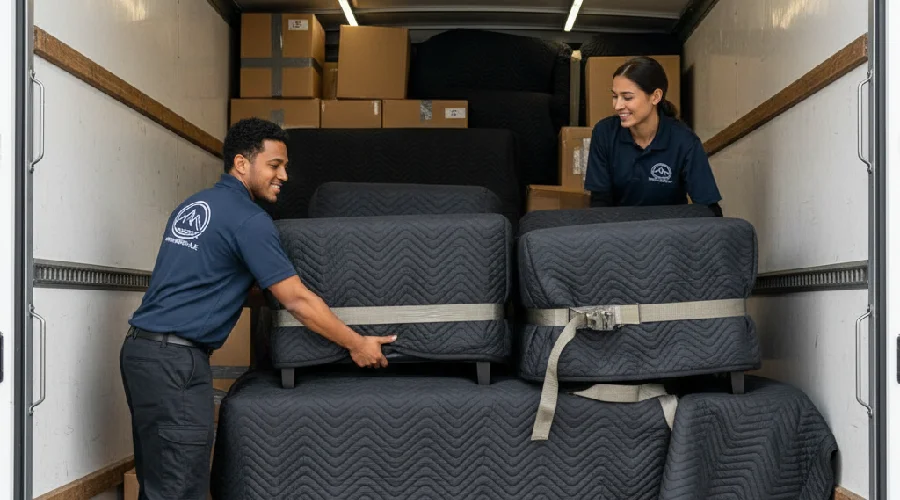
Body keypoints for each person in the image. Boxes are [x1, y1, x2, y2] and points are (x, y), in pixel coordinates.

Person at [119, 117, 396, 499]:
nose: (284, 176)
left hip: (143, 353)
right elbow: (296, 299)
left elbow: (208, 278)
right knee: (180, 489)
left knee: (159, 483)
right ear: (241, 163)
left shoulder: (195, 205)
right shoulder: (249, 220)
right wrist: (356, 343)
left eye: (285, 166)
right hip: (175, 364)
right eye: (274, 165)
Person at [584, 56, 724, 216]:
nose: (617, 106)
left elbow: (708, 207)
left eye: (627, 97)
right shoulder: (604, 133)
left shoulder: (684, 141)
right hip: (620, 227)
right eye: (615, 96)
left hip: (668, 228)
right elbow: (600, 202)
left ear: (656, 96)